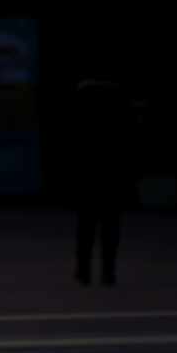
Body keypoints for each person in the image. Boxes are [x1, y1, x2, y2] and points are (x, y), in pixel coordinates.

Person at [72, 78, 135, 287]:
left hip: (89, 176)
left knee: (87, 225)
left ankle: (84, 270)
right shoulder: (118, 119)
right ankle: (108, 271)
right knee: (109, 225)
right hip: (111, 176)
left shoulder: (82, 119)